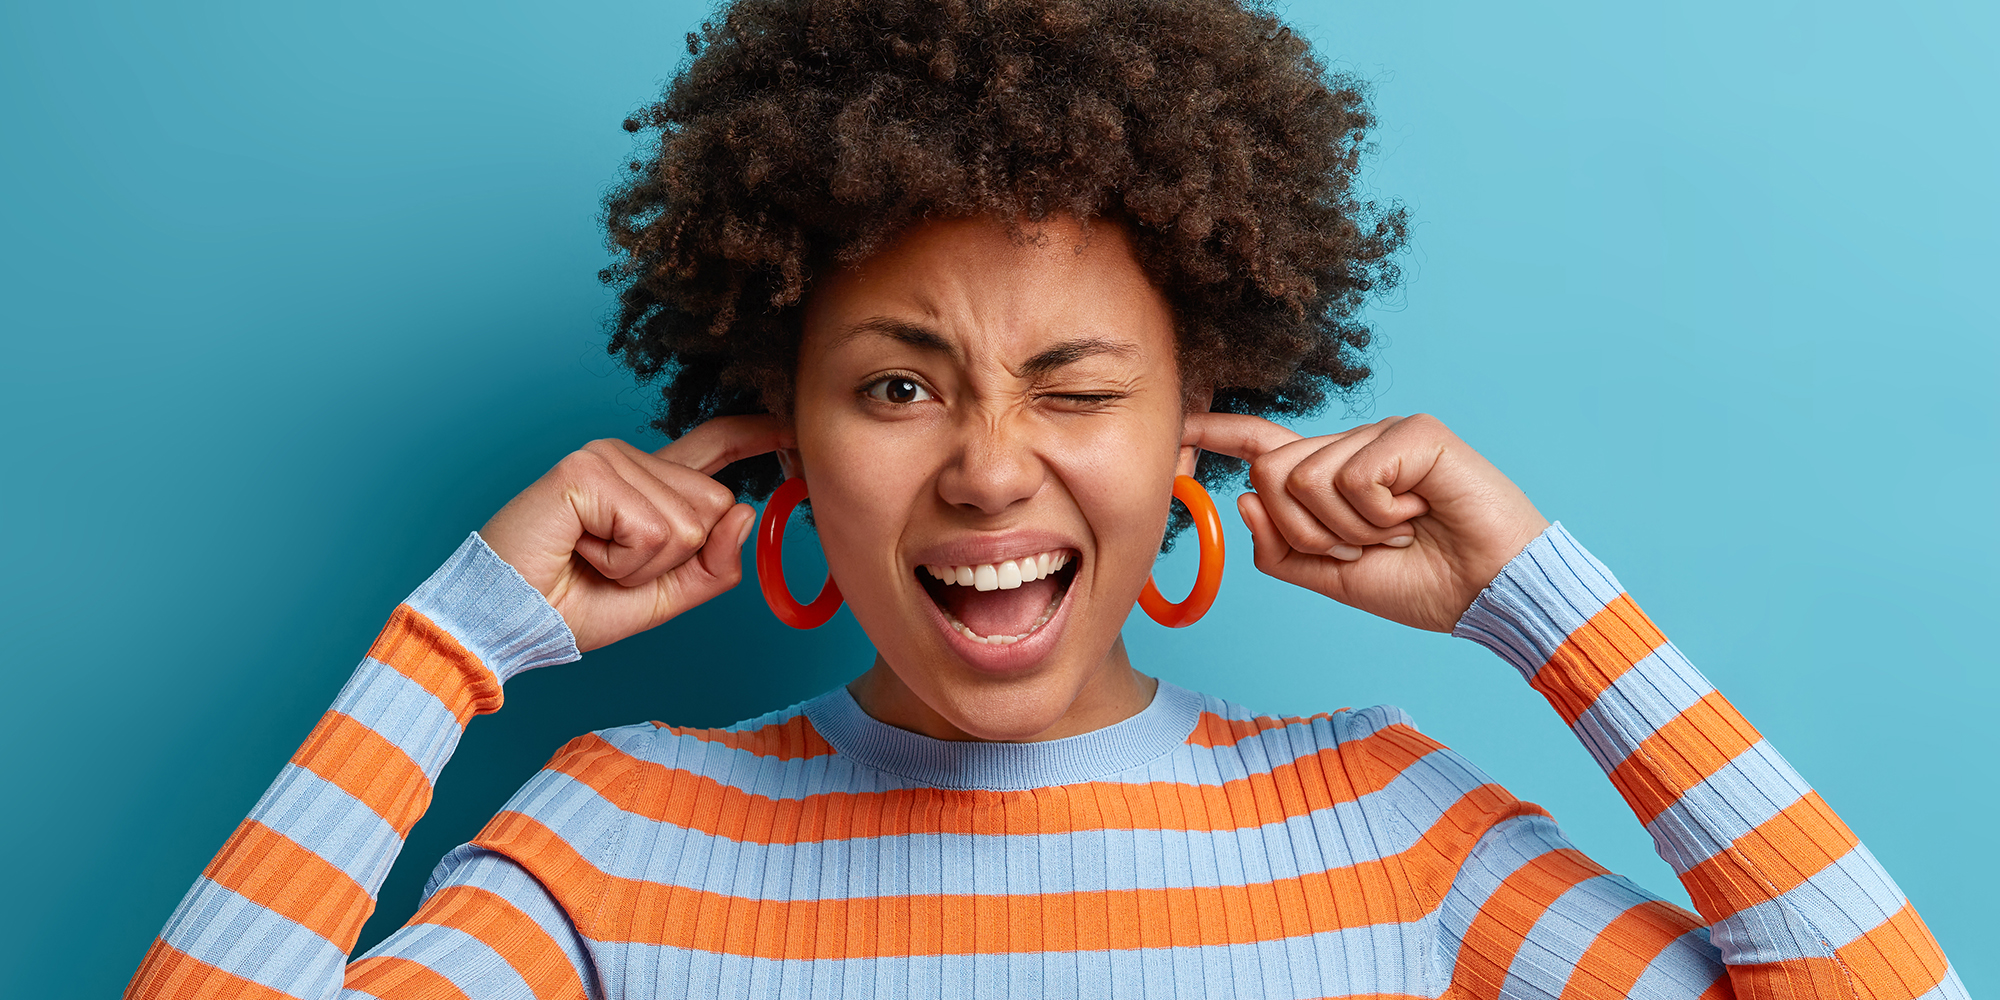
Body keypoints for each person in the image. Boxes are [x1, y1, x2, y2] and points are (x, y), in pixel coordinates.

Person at [126, 1, 1962, 998]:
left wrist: (1545, 607)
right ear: (782, 434)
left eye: (1075, 386)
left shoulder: (1388, 829)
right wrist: (451, 645)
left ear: (1194, 429)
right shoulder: (615, 839)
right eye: (898, 386)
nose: (992, 465)